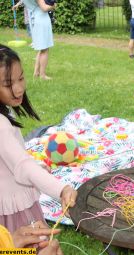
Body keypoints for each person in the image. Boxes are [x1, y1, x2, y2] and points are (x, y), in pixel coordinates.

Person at [0, 44, 77, 233]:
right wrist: (62, 190)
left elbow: (11, 160)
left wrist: (37, 170)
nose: (18, 89)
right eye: (8, 84)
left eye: (21, 78)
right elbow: (21, 166)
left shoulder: (5, 110)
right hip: (14, 211)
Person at [22, 0, 55, 80]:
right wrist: (53, 6)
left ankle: (36, 72)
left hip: (34, 19)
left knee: (41, 48)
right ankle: (42, 75)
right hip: (41, 19)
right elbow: (44, 8)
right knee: (45, 49)